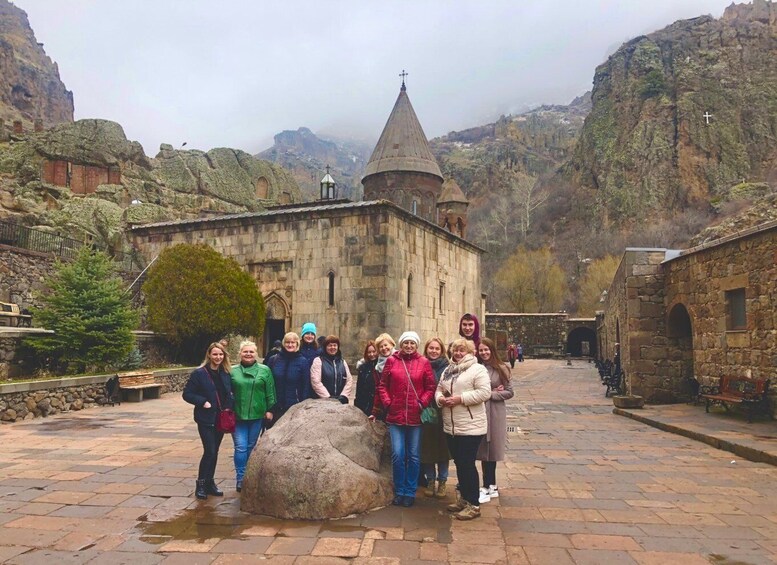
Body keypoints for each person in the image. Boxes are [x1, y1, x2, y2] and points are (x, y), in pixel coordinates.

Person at [376, 331, 436, 507]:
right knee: (398, 454)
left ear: (416, 345)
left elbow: (430, 386)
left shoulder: (423, 362)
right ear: (400, 344)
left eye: (412, 343)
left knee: (414, 456)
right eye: (406, 343)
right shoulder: (392, 361)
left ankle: (410, 492)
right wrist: (388, 402)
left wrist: (422, 402)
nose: (409, 346)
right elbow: (382, 385)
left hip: (415, 416)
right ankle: (399, 490)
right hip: (396, 416)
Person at [435, 338, 491, 520]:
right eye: (455, 350)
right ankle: (465, 499)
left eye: (462, 350)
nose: (458, 353)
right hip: (451, 426)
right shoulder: (448, 370)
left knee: (467, 464)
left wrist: (460, 399)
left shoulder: (477, 369)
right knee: (459, 464)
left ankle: (474, 504)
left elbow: (484, 392)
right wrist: (440, 399)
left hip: (470, 426)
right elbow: (439, 389)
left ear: (470, 352)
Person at [182, 342, 235, 500]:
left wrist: (230, 404)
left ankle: (210, 482)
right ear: (209, 355)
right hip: (206, 419)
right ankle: (201, 484)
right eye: (215, 354)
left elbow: (229, 392)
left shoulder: (225, 373)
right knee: (209, 451)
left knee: (215, 452)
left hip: (221, 418)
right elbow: (187, 394)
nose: (218, 357)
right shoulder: (199, 374)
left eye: (221, 354)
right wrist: (202, 401)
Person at [230, 340, 276, 492]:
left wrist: (270, 409)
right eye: (245, 352)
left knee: (251, 447)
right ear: (240, 353)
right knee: (241, 447)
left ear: (256, 354)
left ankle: (250, 476)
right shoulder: (232, 371)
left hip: (257, 415)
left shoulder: (265, 370)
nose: (248, 354)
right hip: (238, 415)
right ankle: (241, 478)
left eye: (251, 352)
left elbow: (270, 391)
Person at [476, 337, 514, 504]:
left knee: (492, 449)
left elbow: (509, 392)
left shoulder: (501, 368)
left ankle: (489, 485)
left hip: (495, 412)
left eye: (486, 350)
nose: (484, 353)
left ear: (492, 350)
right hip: (480, 412)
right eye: (481, 350)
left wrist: (491, 393)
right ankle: (489, 485)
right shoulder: (477, 368)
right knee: (484, 450)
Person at [421, 337, 451, 498]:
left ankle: (443, 481)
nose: (433, 351)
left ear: (441, 351)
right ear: (426, 350)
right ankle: (430, 480)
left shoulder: (448, 368)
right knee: (427, 449)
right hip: (426, 412)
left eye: (437, 349)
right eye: (431, 348)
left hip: (443, 412)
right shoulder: (421, 365)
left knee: (442, 450)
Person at [266, 332, 311, 423]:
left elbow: (306, 386)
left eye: (293, 342)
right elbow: (268, 385)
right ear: (283, 343)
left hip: (294, 408)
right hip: (276, 408)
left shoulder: (303, 362)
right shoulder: (274, 360)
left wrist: (302, 407)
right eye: (287, 342)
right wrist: (269, 409)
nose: (290, 345)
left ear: (297, 344)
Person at [310, 335, 353, 403]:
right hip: (323, 401)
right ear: (325, 347)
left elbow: (349, 380)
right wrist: (328, 397)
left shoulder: (342, 362)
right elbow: (316, 382)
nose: (332, 347)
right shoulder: (319, 361)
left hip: (340, 401)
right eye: (330, 345)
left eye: (335, 345)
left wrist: (343, 396)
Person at [369, 333, 396, 420]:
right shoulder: (377, 368)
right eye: (381, 347)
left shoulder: (401, 360)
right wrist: (375, 412)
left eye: (386, 345)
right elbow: (378, 389)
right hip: (386, 405)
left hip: (401, 404)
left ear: (392, 344)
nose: (384, 348)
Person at [354, 341, 379, 416]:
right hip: (364, 404)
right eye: (369, 352)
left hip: (376, 404)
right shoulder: (362, 368)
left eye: (374, 351)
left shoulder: (381, 367)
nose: (371, 354)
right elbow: (359, 388)